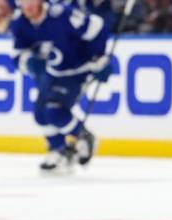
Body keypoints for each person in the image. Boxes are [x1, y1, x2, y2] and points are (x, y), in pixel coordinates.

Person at [10, 0, 112, 172]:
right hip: (53, 72)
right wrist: (28, 62)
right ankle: (59, 150)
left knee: (54, 111)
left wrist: (99, 58)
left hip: (77, 71)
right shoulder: (19, 21)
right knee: (40, 115)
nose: (27, 6)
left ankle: (84, 137)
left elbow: (96, 26)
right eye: (23, 1)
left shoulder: (62, 14)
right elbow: (17, 54)